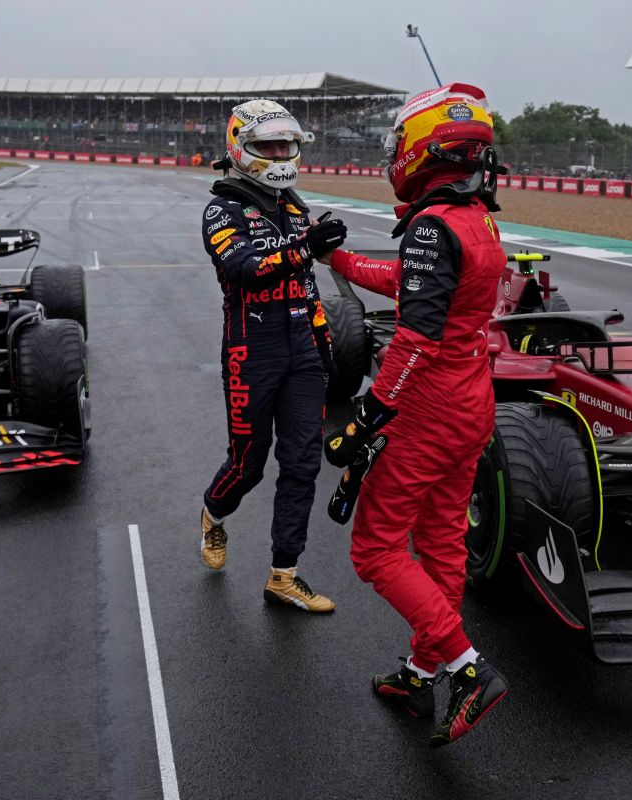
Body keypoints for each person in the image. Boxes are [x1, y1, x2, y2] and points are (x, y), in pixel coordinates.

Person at [320, 83, 508, 746]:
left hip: (429, 410)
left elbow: (414, 334)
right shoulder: (476, 216)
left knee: (374, 549)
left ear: (421, 147)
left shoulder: (434, 224)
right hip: (471, 406)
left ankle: (464, 666)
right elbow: (404, 281)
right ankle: (420, 674)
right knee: (440, 544)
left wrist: (369, 412)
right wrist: (336, 258)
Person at [198, 99, 348, 611]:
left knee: (303, 462)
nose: (280, 154)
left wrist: (325, 344)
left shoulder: (294, 206)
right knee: (249, 463)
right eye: (269, 146)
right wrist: (306, 246)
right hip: (250, 348)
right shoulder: (223, 208)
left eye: (286, 145)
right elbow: (243, 268)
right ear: (240, 149)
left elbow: (306, 286)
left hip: (302, 349)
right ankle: (214, 514)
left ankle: (284, 573)